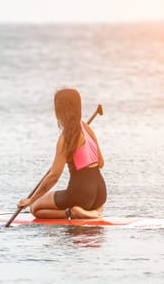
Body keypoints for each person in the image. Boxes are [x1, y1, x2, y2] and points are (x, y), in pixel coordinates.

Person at [18, 89, 107, 219]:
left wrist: (31, 200)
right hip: (101, 192)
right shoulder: (86, 127)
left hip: (80, 195)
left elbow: (53, 176)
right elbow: (101, 162)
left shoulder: (66, 138)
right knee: (87, 201)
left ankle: (72, 213)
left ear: (60, 110)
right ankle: (91, 212)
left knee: (35, 208)